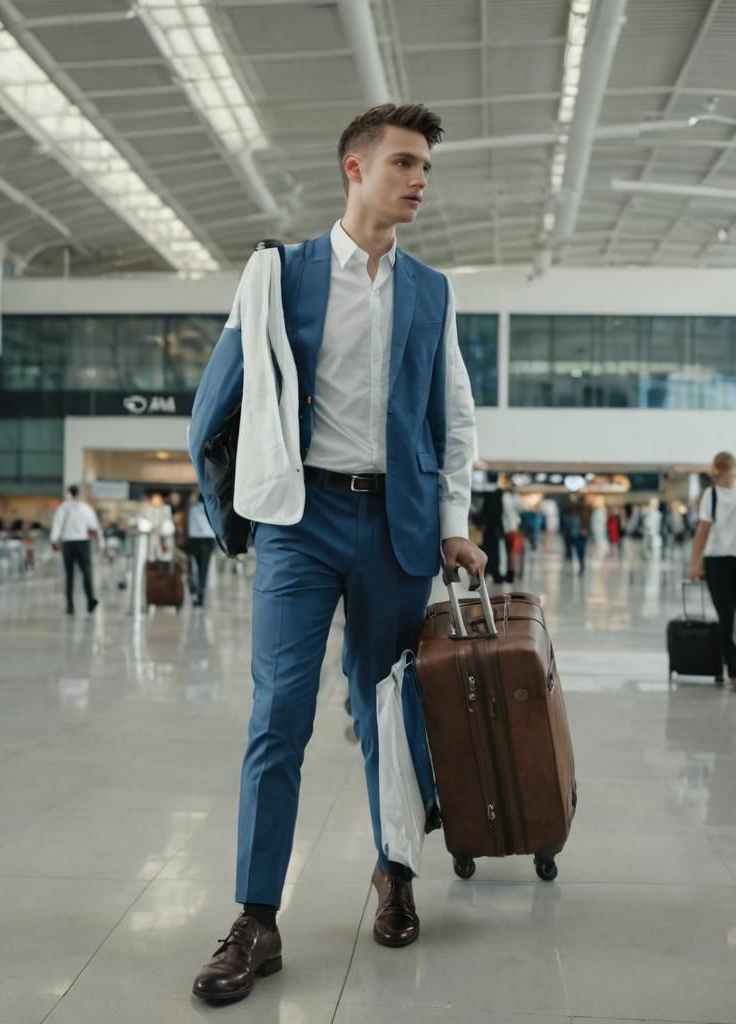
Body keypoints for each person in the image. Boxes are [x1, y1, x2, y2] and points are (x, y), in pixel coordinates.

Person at [187, 103, 483, 1003]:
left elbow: (454, 416)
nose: (420, 180)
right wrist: (236, 519)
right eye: (404, 163)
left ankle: (396, 873)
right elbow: (215, 405)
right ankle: (255, 918)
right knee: (278, 715)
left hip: (393, 524)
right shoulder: (276, 276)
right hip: (300, 520)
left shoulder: (431, 291)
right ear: (355, 170)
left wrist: (454, 522)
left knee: (389, 712)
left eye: (426, 166)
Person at [688, 451, 736, 693]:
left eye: (729, 474)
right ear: (716, 473)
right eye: (721, 475)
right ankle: (735, 671)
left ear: (735, 471)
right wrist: (695, 563)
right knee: (726, 614)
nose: (725, 479)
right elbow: (703, 530)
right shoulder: (711, 494)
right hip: (717, 559)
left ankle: (732, 656)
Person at [50, 484, 100, 615]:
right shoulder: (85, 508)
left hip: (68, 543)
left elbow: (57, 524)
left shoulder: (63, 508)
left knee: (69, 574)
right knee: (86, 572)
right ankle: (90, 600)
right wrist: (99, 542)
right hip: (82, 542)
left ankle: (70, 604)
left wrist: (54, 540)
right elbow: (93, 526)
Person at [187, 491, 217, 608]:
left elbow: (191, 526)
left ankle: (197, 594)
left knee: (195, 568)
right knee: (204, 569)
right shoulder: (211, 509)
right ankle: (201, 597)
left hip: (195, 540)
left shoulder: (193, 509)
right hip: (208, 540)